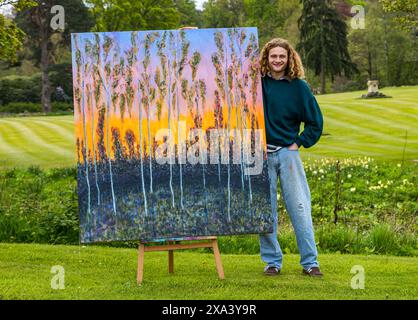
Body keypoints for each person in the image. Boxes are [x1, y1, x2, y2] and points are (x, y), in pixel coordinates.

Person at [259, 38, 324, 277]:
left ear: (289, 59)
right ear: (266, 58)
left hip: (288, 153)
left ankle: (310, 262)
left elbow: (315, 123)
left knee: (299, 207)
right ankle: (272, 262)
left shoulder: (299, 87)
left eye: (281, 56)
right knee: (265, 210)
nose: (277, 60)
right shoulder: (257, 85)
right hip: (261, 154)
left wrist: (298, 143)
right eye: (272, 56)